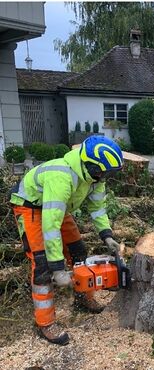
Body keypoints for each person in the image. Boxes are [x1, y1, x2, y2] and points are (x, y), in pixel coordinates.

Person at [10, 136, 123, 345]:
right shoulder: (60, 176)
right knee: (42, 264)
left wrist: (107, 235)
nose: (106, 177)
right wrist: (57, 268)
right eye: (105, 172)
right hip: (31, 207)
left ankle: (83, 298)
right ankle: (45, 323)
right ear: (92, 167)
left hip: (57, 207)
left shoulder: (95, 179)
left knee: (78, 251)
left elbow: (97, 209)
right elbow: (50, 226)